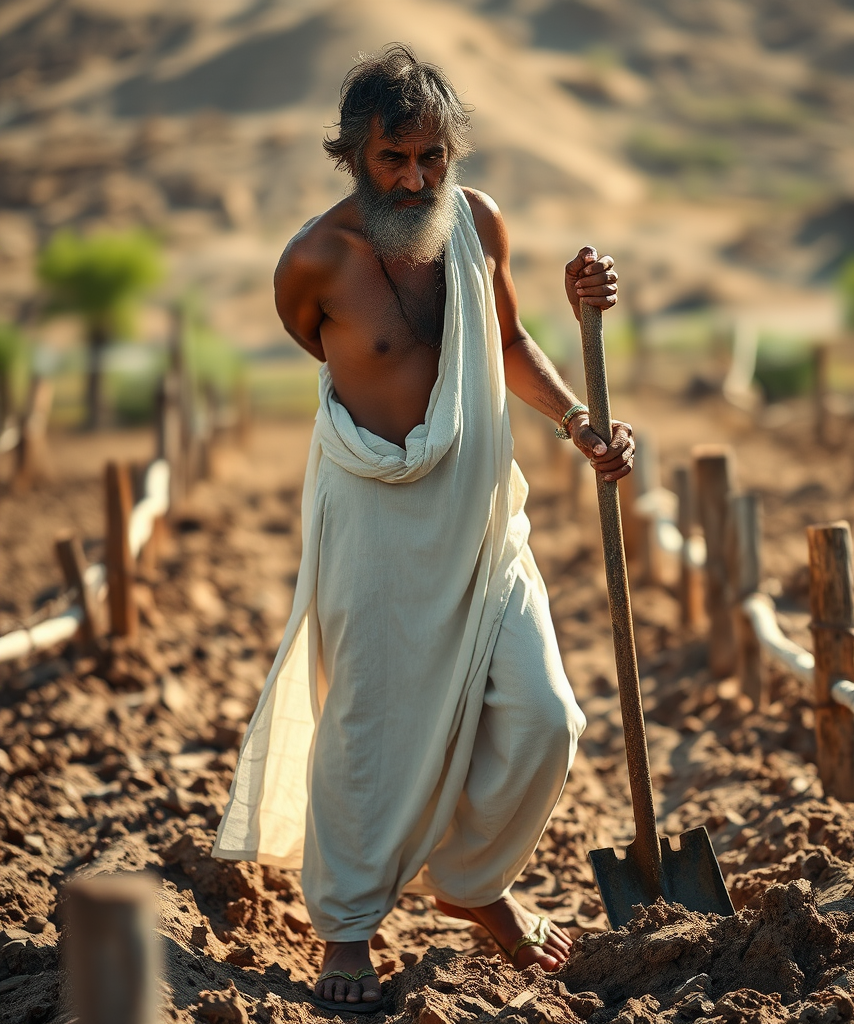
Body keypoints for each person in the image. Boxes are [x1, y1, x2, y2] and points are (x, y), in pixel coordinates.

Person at [212, 43, 634, 1013]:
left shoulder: (478, 224)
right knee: (366, 722)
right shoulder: (312, 262)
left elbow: (511, 341)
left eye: (432, 157)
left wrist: (578, 426)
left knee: (543, 717)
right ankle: (348, 927)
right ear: (355, 153)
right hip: (373, 515)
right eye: (394, 158)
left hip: (480, 517)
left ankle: (472, 884)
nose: (416, 177)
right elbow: (324, 355)